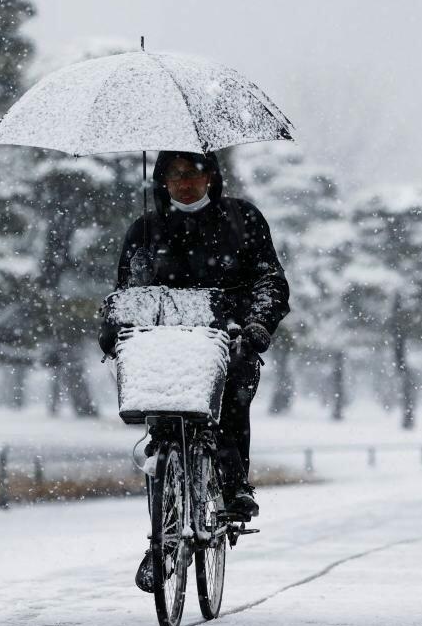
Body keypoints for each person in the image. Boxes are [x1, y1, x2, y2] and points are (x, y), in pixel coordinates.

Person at [99, 150, 290, 591]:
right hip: (164, 344)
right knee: (162, 428)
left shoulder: (243, 220)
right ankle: (162, 538)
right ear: (162, 180)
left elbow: (270, 281)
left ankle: (233, 482)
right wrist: (114, 330)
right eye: (175, 175)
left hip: (227, 338)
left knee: (231, 399)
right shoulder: (145, 230)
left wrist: (257, 325)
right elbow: (129, 291)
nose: (185, 183)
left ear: (212, 177)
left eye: (194, 174)